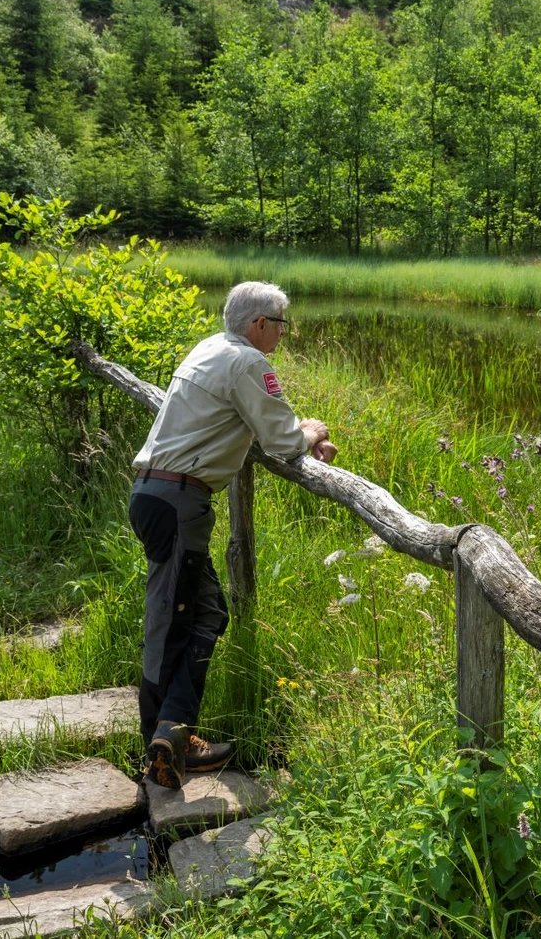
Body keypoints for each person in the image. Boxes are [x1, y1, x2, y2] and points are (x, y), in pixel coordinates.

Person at [128, 280, 336, 789]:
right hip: (179, 501)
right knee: (171, 623)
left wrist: (292, 437)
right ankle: (161, 744)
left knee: (205, 614)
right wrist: (312, 432)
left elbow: (240, 424)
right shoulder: (247, 361)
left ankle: (172, 734)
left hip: (159, 495)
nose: (283, 333)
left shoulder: (210, 348)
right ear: (259, 323)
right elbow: (283, 439)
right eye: (281, 324)